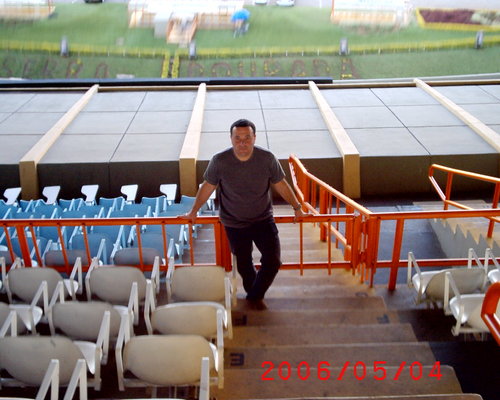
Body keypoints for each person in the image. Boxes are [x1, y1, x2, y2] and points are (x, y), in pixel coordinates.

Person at [182, 118, 307, 310]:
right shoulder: (220, 160)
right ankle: (255, 296)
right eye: (237, 138)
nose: (242, 143)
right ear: (231, 138)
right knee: (244, 263)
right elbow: (208, 186)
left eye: (247, 138)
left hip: (263, 219)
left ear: (254, 138)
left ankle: (254, 296)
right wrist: (193, 211)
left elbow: (281, 183)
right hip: (234, 222)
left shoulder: (266, 158)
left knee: (273, 261)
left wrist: (297, 208)